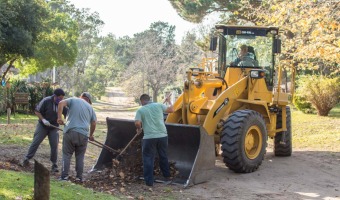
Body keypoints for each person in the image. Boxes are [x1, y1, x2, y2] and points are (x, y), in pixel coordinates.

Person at [21, 88, 68, 173]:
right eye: (59, 98)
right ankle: (27, 159)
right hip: (43, 126)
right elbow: (37, 111)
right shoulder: (46, 101)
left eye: (62, 98)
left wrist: (65, 121)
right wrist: (43, 120)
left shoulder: (62, 103)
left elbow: (67, 114)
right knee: (36, 142)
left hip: (54, 127)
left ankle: (54, 164)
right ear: (55, 96)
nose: (61, 100)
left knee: (54, 145)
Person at [134, 94, 174, 186]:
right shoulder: (159, 105)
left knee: (148, 158)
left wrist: (139, 129)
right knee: (163, 156)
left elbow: (137, 123)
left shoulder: (141, 110)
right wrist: (169, 101)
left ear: (142, 101)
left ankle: (149, 182)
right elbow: (172, 110)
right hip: (163, 136)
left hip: (149, 137)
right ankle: (167, 177)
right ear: (149, 99)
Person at [57, 92, 97, 182]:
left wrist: (59, 118)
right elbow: (94, 122)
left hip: (70, 132)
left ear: (81, 97)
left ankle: (64, 177)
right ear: (89, 100)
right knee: (80, 157)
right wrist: (91, 135)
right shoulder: (90, 108)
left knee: (66, 155)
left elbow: (60, 103)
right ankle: (79, 177)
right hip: (83, 135)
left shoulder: (74, 100)